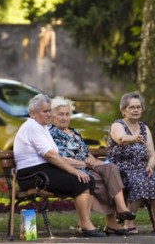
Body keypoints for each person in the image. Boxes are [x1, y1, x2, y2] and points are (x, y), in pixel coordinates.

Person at [13, 94, 105, 237]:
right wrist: (74, 171)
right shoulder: (33, 127)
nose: (49, 114)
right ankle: (86, 226)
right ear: (33, 113)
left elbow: (53, 156)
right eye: (45, 111)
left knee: (87, 179)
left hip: (43, 171)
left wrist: (77, 171)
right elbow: (50, 156)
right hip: (33, 175)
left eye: (50, 110)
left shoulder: (41, 127)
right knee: (81, 180)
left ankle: (84, 225)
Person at [49, 96, 135, 236]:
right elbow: (60, 158)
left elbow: (86, 152)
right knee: (103, 180)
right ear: (52, 116)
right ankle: (110, 221)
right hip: (72, 170)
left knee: (112, 168)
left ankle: (120, 209)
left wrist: (91, 159)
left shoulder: (74, 132)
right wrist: (86, 163)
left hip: (87, 166)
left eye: (67, 114)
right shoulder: (51, 134)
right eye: (61, 114)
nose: (65, 118)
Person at [107, 92, 155, 235]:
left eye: (138, 107)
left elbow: (152, 155)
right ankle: (129, 223)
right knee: (138, 182)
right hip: (120, 169)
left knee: (154, 181)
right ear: (124, 110)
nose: (136, 110)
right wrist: (133, 138)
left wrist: (150, 166)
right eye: (132, 107)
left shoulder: (144, 128)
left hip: (141, 168)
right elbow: (121, 139)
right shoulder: (118, 125)